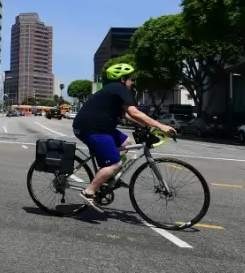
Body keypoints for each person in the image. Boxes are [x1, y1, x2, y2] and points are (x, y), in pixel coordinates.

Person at [71, 63, 176, 212]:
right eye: (130, 79)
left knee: (126, 142)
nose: (132, 82)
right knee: (115, 164)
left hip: (101, 128)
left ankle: (106, 177)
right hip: (92, 129)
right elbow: (134, 112)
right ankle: (88, 192)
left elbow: (127, 114)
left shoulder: (114, 90)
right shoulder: (119, 89)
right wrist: (161, 126)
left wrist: (146, 125)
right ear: (122, 79)